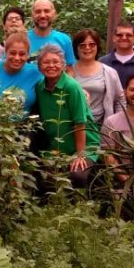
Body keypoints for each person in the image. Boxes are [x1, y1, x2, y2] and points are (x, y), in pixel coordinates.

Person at [34, 44, 100, 188]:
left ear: (63, 65)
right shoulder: (40, 87)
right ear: (39, 67)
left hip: (84, 146)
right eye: (46, 62)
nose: (51, 66)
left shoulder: (72, 87)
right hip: (57, 147)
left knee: (77, 176)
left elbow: (80, 123)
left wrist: (80, 155)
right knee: (45, 179)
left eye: (56, 62)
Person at [71, 29, 125, 126]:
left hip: (101, 128)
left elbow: (120, 100)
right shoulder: (68, 72)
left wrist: (118, 123)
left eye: (92, 44)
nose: (87, 48)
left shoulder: (109, 72)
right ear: (76, 48)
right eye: (82, 45)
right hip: (74, 126)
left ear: (97, 47)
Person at [0, 32, 42, 120]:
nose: (17, 58)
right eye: (12, 53)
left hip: (25, 127)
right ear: (5, 52)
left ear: (28, 55)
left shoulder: (36, 72)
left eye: (22, 54)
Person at [28, 0, 76, 69]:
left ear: (54, 14)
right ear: (32, 15)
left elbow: (70, 70)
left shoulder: (65, 40)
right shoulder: (22, 39)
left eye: (46, 11)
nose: (42, 15)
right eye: (38, 12)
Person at [99, 22, 134, 87]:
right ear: (114, 37)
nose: (124, 38)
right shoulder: (102, 62)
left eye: (128, 35)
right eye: (119, 35)